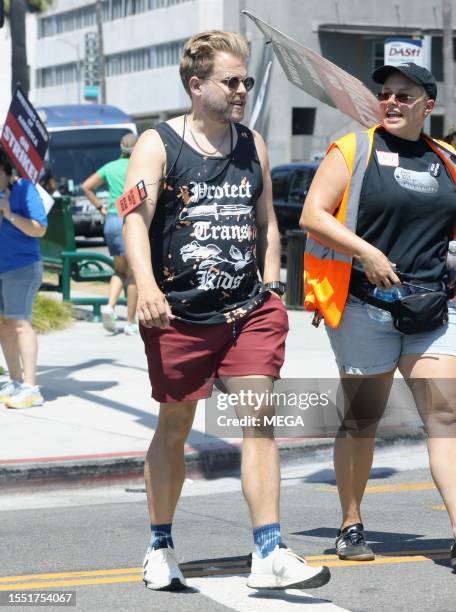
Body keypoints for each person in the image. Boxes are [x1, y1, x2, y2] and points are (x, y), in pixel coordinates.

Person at [123, 30, 330, 591]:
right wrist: (145, 285)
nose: (242, 89)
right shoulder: (157, 143)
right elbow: (134, 220)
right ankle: (160, 544)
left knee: (259, 421)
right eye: (230, 81)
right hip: (179, 314)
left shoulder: (252, 144)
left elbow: (267, 220)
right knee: (175, 423)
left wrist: (271, 284)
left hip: (247, 310)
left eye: (247, 81)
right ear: (196, 85)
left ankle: (269, 549)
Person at [300, 63, 456, 567]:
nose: (390, 102)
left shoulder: (447, 162)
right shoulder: (354, 150)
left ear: (427, 107)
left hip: (430, 309)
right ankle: (350, 523)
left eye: (403, 96)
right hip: (365, 309)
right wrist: (366, 252)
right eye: (385, 94)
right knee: (363, 420)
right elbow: (313, 215)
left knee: (446, 415)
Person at [0, 147, 47, 409]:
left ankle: (31, 387)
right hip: (1, 268)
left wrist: (9, 213)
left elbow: (39, 229)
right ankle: (15, 381)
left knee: (19, 324)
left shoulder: (25, 189)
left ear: (5, 171)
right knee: (4, 325)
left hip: (22, 267)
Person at [81, 133, 139, 335]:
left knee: (120, 270)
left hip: (112, 220)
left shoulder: (110, 166)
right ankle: (130, 323)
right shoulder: (138, 166)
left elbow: (86, 186)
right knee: (133, 274)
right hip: (130, 220)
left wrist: (100, 208)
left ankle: (110, 306)